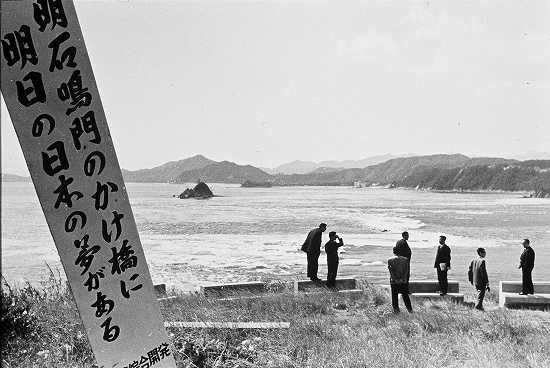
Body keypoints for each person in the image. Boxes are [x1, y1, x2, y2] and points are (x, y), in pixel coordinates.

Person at [388, 246, 413, 313]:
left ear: (393, 252)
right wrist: (403, 278)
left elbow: (391, 271)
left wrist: (395, 279)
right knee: (405, 297)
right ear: (400, 252)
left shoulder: (390, 260)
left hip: (394, 282)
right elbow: (406, 270)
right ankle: (410, 310)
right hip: (403, 281)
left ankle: (396, 312)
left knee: (394, 297)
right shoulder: (405, 259)